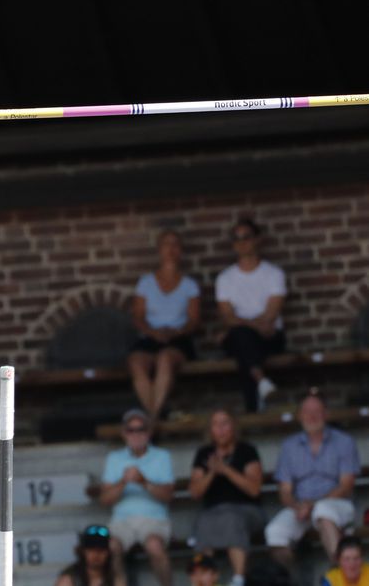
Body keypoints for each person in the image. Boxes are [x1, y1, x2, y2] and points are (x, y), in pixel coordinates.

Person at [265, 390, 359, 569]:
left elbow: (346, 486)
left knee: (323, 511)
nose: (312, 416)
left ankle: (339, 576)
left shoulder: (344, 441)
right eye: (307, 411)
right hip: (301, 508)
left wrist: (313, 505)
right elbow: (284, 492)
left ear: (326, 414)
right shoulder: (288, 445)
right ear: (299, 415)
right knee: (274, 531)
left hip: (337, 504)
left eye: (317, 411)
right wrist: (298, 506)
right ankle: (288, 581)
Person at [216, 218, 287, 412]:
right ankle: (260, 379)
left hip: (270, 338)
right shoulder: (225, 278)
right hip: (246, 337)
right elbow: (227, 317)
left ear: (258, 239)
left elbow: (271, 316)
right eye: (236, 238)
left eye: (246, 237)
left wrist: (241, 325)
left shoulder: (274, 274)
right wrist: (249, 326)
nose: (242, 242)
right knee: (242, 338)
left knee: (241, 343)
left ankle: (252, 410)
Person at [128, 230, 201, 419]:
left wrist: (175, 332)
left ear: (181, 250)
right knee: (136, 362)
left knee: (164, 359)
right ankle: (156, 416)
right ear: (159, 250)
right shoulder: (145, 283)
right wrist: (154, 333)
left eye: (175, 244)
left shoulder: (190, 285)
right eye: (166, 244)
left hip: (178, 339)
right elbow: (137, 317)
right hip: (151, 337)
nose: (171, 249)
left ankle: (150, 421)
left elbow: (194, 321)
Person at [188, 409, 265, 586]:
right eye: (216, 424)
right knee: (204, 521)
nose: (221, 429)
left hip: (248, 511)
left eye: (225, 423)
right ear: (210, 429)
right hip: (213, 512)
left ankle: (238, 579)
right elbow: (195, 492)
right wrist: (212, 472)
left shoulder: (247, 451)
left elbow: (254, 489)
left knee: (231, 519)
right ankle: (204, 580)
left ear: (233, 426)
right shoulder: (204, 453)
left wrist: (227, 470)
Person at [98, 409, 174, 586]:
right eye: (131, 430)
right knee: (110, 547)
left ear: (149, 432)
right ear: (124, 433)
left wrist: (143, 481)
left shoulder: (162, 456)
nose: (136, 434)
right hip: (121, 521)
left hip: (154, 519)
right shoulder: (114, 458)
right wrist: (123, 482)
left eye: (141, 429)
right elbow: (104, 500)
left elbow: (168, 496)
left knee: (154, 546)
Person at [54, 524, 124, 586]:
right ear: (82, 551)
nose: (96, 554)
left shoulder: (114, 578)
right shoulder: (69, 578)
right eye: (91, 550)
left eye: (101, 550)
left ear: (108, 552)